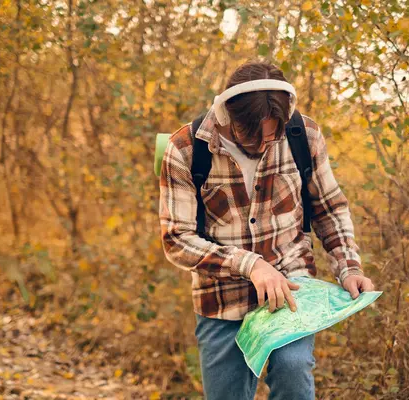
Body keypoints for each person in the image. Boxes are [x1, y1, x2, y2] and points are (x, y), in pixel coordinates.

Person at [158, 60, 375, 400]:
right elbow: (177, 239)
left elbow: (329, 208)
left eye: (271, 136)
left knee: (293, 372)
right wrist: (252, 265)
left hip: (293, 287)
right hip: (221, 298)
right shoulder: (185, 149)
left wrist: (348, 267)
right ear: (227, 115)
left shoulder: (305, 135)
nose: (262, 145)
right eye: (251, 135)